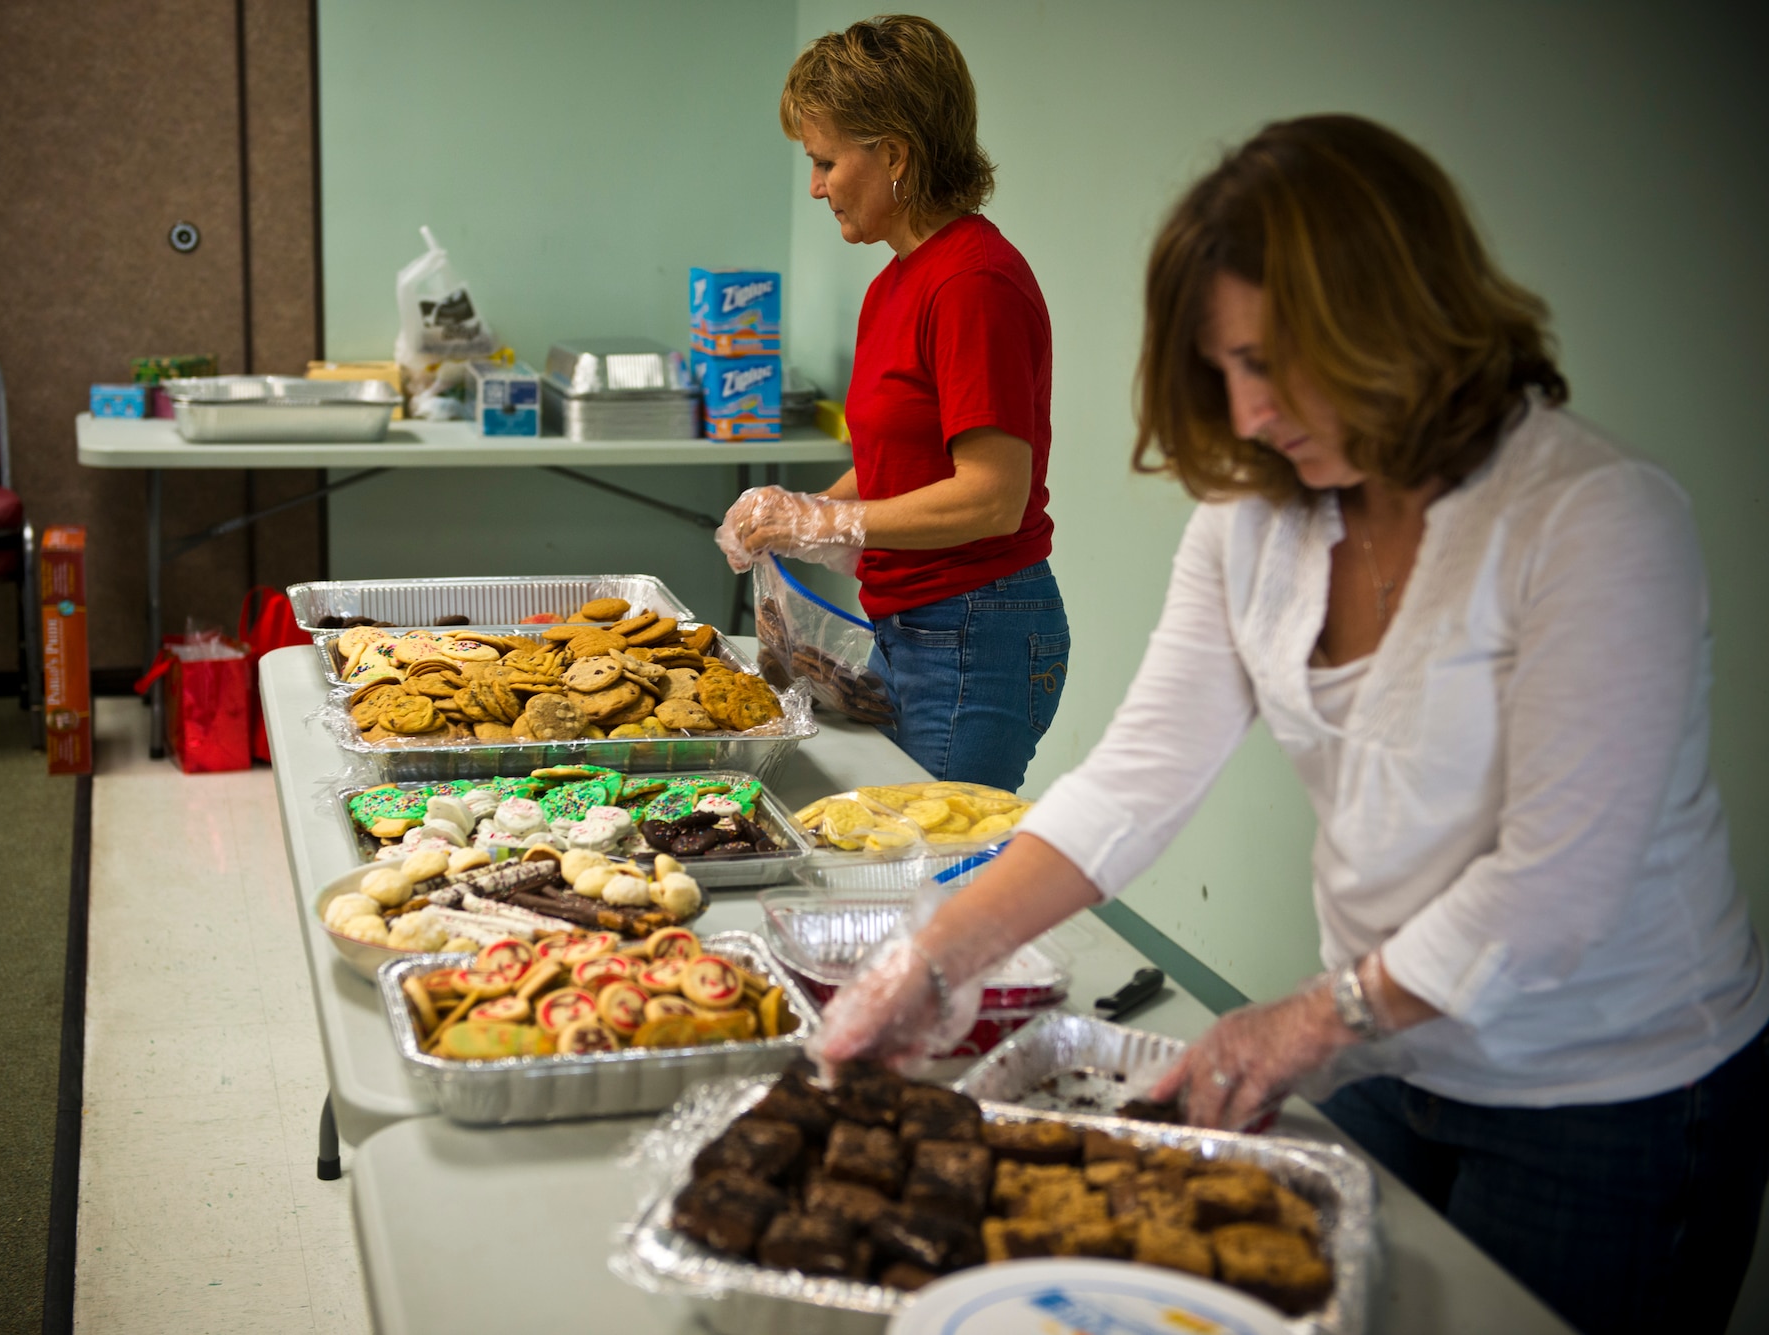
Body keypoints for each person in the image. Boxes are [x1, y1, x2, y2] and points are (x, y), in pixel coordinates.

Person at [811, 113, 1768, 1335]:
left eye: (1273, 363)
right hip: (1387, 1052)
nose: (1249, 414)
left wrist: (1306, 1021)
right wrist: (931, 956)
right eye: (1221, 373)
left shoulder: (1591, 522)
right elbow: (1134, 780)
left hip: (1612, 1090)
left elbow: (1555, 887)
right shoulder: (1260, 518)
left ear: (1404, 317)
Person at [715, 14, 1066, 791]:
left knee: (930, 864)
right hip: (911, 624)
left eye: (827, 162)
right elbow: (895, 472)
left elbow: (993, 497)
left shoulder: (973, 283)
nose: (815, 186)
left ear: (896, 154)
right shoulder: (894, 281)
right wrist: (794, 513)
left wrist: (832, 522)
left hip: (975, 630)